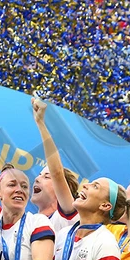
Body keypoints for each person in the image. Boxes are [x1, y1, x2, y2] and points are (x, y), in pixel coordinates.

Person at [31, 98, 81, 234]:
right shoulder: (28, 221)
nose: (37, 179)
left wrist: (40, 123)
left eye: (47, 177)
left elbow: (57, 173)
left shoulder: (65, 217)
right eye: (39, 175)